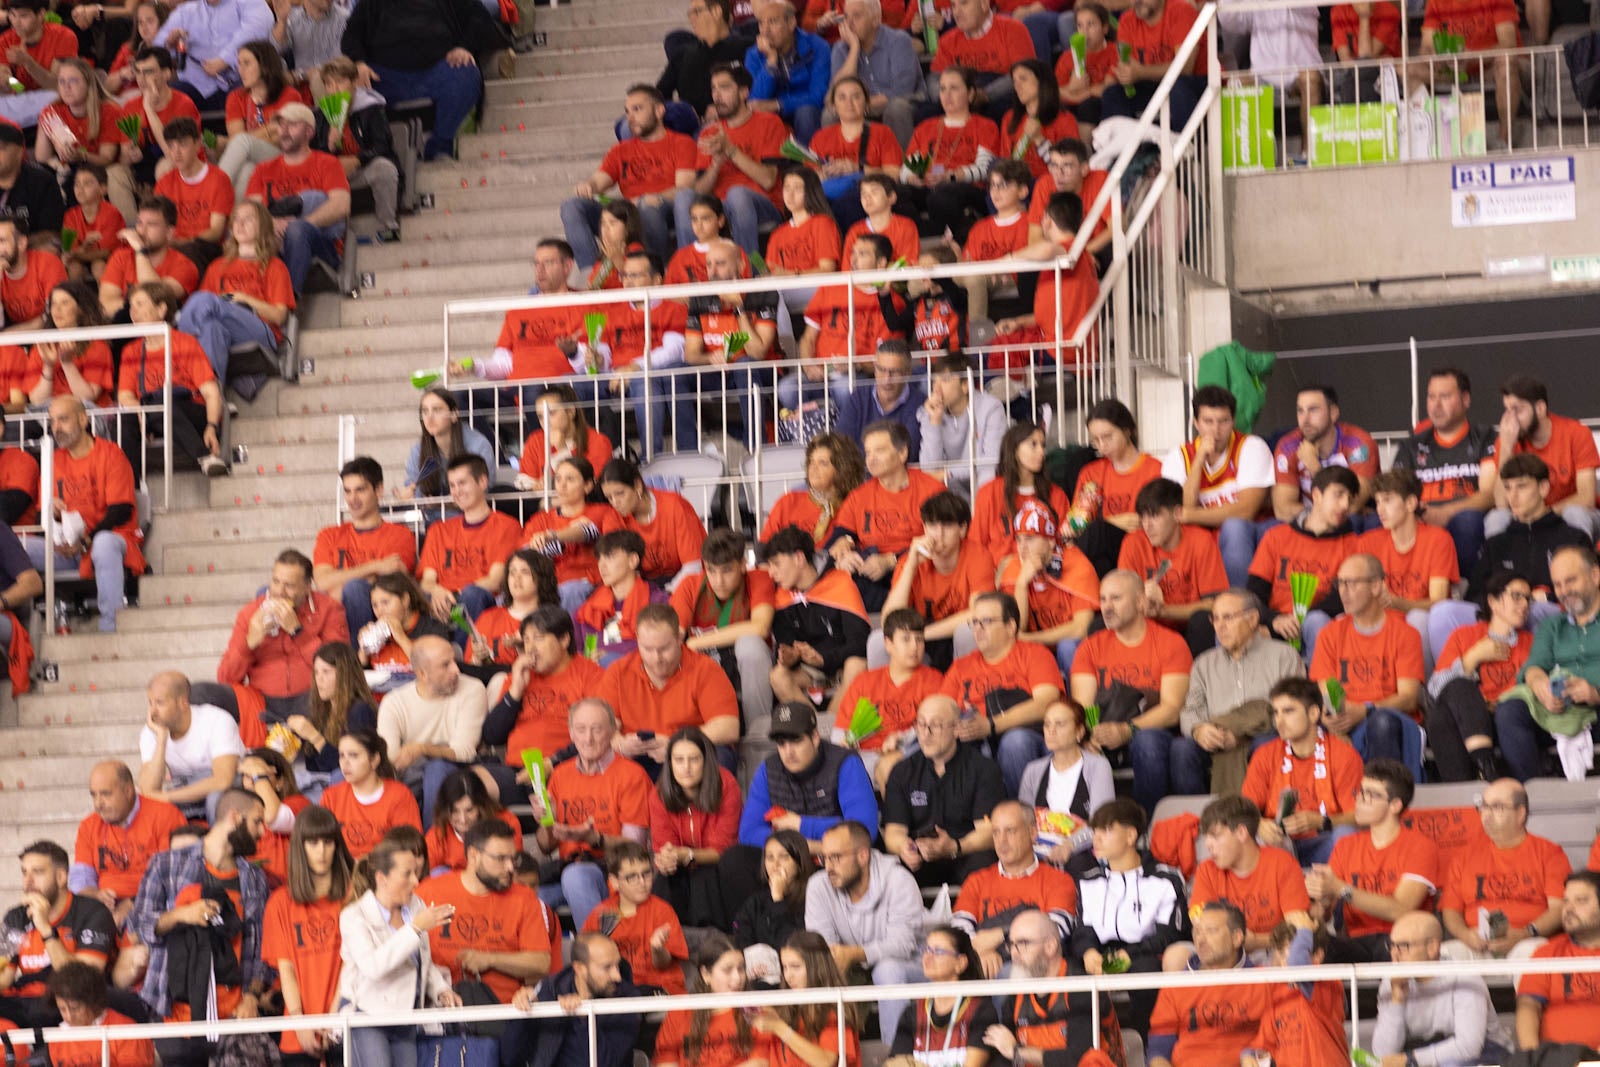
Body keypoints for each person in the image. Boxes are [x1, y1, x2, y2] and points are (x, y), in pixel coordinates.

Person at [128, 787, 270, 1063]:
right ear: (234, 817)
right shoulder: (167, 863)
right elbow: (139, 925)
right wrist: (182, 915)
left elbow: (259, 948)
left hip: (233, 1014)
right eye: (257, 821)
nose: (262, 832)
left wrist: (252, 996)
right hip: (173, 1010)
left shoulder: (254, 877)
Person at [1069, 569, 1193, 813]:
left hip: (1150, 732)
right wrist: (1088, 735)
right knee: (1072, 744)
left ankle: (1145, 825)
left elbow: (1172, 709)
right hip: (1103, 731)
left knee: (1147, 742)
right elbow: (1082, 706)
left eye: (1116, 598)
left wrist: (1128, 730)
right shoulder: (1090, 647)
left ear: (1140, 602)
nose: (1106, 607)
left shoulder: (1171, 643)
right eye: (1103, 599)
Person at [337, 835, 462, 1067]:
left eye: (416, 872)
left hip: (405, 1018)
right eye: (407, 874)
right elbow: (374, 967)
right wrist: (414, 928)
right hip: (367, 1018)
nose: (416, 881)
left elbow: (423, 961)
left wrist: (441, 989)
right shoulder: (353, 917)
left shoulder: (417, 906)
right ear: (382, 878)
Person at [530, 698, 653, 933]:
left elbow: (634, 849)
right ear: (571, 733)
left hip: (615, 873)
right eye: (581, 730)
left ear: (612, 732)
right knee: (525, 902)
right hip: (568, 869)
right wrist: (546, 822)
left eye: (597, 729)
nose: (588, 739)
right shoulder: (560, 775)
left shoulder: (631, 775)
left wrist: (592, 837)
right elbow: (546, 847)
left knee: (576, 877)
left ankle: (599, 955)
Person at [1304, 759, 1439, 963]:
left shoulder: (1420, 846)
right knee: (1307, 946)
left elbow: (1401, 909)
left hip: (1402, 941)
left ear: (1395, 805)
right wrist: (1319, 898)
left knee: (1396, 950)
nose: (1360, 799)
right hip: (1356, 941)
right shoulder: (1346, 845)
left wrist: (1341, 889)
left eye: (1371, 795)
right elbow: (1325, 913)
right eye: (1359, 792)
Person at [1071, 799, 1187, 1028]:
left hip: (1144, 954)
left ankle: (1149, 1046)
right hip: (1100, 953)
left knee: (1145, 972)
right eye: (1095, 831)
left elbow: (1169, 935)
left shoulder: (1165, 879)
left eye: (1106, 830)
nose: (1097, 838)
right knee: (1070, 970)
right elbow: (1082, 929)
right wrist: (1088, 952)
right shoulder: (1088, 880)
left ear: (1131, 836)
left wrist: (1128, 955)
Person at [806, 820, 925, 1042]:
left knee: (887, 970)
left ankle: (894, 1058)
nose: (828, 867)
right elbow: (824, 948)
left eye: (836, 857)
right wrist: (843, 957)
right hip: (854, 967)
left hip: (911, 963)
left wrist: (855, 954)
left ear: (862, 856)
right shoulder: (819, 886)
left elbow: (902, 944)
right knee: (817, 969)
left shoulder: (899, 880)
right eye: (824, 858)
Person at [1309, 553, 1427, 778]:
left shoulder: (1405, 634)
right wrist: (1335, 723)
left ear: (1376, 586)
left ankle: (1385, 795)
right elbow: (1326, 688)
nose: (1343, 591)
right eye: (1340, 583)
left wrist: (1365, 710)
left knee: (1380, 723)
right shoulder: (1329, 634)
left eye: (1351, 583)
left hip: (1388, 719)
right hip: (1344, 719)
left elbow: (1409, 698)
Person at [338, 0, 502, 160]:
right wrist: (359, 63)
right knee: (349, 83)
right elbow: (351, 35)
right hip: (385, 78)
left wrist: (464, 47)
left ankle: (440, 146)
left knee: (467, 74)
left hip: (436, 74)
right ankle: (371, 150)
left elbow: (480, 17)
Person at [1178, 587, 1303, 796]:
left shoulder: (1284, 656)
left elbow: (1295, 710)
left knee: (1266, 745)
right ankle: (1199, 816)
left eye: (1228, 618)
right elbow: (1190, 710)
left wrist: (1239, 733)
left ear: (1253, 619)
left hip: (1262, 735)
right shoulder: (1204, 663)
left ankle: (1255, 812)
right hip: (1215, 739)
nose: (1220, 626)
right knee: (1182, 750)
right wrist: (1199, 730)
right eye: (1215, 619)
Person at [670, 527, 777, 767]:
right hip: (706, 674)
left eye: (727, 571)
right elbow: (673, 634)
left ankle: (756, 734)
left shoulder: (758, 579)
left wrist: (697, 641)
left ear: (742, 564)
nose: (718, 580)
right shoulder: (690, 585)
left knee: (750, 644)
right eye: (711, 571)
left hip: (747, 672)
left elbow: (760, 627)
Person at [942, 590, 1065, 797]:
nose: (978, 630)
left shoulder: (1034, 654)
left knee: (1015, 742)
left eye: (987, 622)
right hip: (973, 740)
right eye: (975, 623)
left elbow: (1047, 703)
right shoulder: (961, 666)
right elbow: (942, 708)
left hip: (1026, 735)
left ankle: (1023, 817)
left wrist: (991, 725)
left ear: (1011, 626)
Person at [1492, 544, 1600, 780]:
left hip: (1596, 711)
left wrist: (1595, 693)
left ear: (1595, 575)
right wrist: (1540, 684)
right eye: (1558, 585)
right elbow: (1533, 667)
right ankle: (1534, 796)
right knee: (1510, 710)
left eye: (1571, 581)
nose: (1563, 591)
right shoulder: (1553, 626)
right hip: (1560, 709)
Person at [417, 818, 553, 1004]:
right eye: (500, 858)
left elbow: (541, 963)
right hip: (440, 1008)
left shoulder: (524, 898)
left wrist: (491, 960)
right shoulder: (429, 892)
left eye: (512, 858)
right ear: (473, 855)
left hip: (505, 1010)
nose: (510, 867)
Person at [564, 85, 695, 269]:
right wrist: (589, 185)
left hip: (663, 209)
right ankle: (593, 274)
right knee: (572, 207)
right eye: (627, 111)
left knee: (647, 207)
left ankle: (656, 270)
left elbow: (684, 188)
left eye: (637, 109)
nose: (630, 117)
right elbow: (600, 180)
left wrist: (649, 198)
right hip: (628, 213)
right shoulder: (621, 150)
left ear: (659, 111)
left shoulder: (682, 143)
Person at [260, 804, 352, 1062]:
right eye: (313, 843)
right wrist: (300, 1021)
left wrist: (335, 1017)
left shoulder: (353, 895)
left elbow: (354, 964)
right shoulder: (280, 902)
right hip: (298, 1032)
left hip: (346, 1022)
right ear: (301, 847)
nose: (321, 851)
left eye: (328, 842)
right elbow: (285, 968)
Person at [883, 694, 1005, 888]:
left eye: (936, 725)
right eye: (921, 725)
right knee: (892, 869)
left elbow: (988, 833)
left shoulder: (983, 769)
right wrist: (904, 847)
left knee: (984, 862)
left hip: (965, 851)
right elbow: (894, 831)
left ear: (956, 728)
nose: (926, 734)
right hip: (922, 855)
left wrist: (954, 847)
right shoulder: (902, 772)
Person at [1439, 778, 1568, 960]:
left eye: (1497, 807)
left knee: (1535, 953)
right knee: (1444, 955)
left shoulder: (1549, 853)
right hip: (1476, 943)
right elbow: (1451, 911)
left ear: (1520, 814)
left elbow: (1558, 909)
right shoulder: (1464, 856)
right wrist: (1465, 935)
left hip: (1528, 940)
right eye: (1483, 806)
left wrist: (1525, 933)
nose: (1486, 815)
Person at [1160, 384, 1274, 587]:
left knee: (1234, 526)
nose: (1215, 430)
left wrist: (1190, 515)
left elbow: (1245, 510)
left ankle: (1238, 601)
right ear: (1195, 423)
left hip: (1249, 533)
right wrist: (1199, 460)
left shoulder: (1251, 446)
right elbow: (1181, 507)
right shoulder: (1178, 457)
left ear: (1233, 421)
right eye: (1208, 421)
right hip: (1203, 539)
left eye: (1223, 421)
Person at [481, 606, 603, 794]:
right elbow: (492, 736)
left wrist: (552, 763)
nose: (531, 648)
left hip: (566, 770)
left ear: (564, 639)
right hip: (517, 772)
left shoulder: (591, 675)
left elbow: (597, 737)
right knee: (467, 783)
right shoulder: (521, 676)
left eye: (538, 638)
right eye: (526, 640)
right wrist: (515, 691)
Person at [218, 548, 349, 723]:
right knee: (202, 693)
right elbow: (226, 679)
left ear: (307, 586)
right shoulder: (250, 613)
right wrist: (249, 643)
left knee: (335, 702)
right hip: (261, 700)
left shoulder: (329, 609)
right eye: (276, 582)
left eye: (289, 585)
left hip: (310, 696)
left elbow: (340, 667)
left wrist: (298, 632)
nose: (279, 592)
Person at [175, 199, 293, 393]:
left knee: (204, 300)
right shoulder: (217, 267)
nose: (240, 224)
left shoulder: (275, 266)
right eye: (236, 219)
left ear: (262, 225)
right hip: (223, 321)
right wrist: (227, 301)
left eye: (248, 219)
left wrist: (244, 298)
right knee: (211, 327)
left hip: (260, 330)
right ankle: (211, 395)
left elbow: (280, 316)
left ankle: (179, 353)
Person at [1242, 677, 1363, 866]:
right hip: (1280, 843)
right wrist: (1259, 824)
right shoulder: (1264, 755)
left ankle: (1338, 892)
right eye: (1276, 713)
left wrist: (1322, 822)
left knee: (1345, 835)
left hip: (1325, 841)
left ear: (1314, 713)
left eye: (1288, 711)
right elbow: (1244, 809)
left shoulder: (1344, 755)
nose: (1279, 721)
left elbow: (1359, 815)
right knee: (1250, 836)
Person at [1426, 570, 1533, 783]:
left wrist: (1500, 702)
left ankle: (1470, 784)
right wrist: (1472, 658)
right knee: (1447, 703)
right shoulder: (1464, 636)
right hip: (1469, 720)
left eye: (1528, 598)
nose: (1524, 604)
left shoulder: (1530, 642)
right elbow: (1436, 689)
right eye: (1516, 596)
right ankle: (1484, 767)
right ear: (1493, 601)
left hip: (1508, 720)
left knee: (1442, 715)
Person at [828, 420, 946, 611]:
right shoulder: (859, 496)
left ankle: (896, 610)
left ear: (902, 453)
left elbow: (943, 543)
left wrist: (891, 561)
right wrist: (844, 547)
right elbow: (839, 536)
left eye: (879, 451)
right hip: (869, 574)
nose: (871, 459)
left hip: (918, 571)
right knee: (838, 576)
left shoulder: (931, 490)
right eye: (868, 452)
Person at [113, 281, 227, 479]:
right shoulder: (131, 351)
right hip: (152, 413)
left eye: (140, 305)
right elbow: (125, 395)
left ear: (161, 309)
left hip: (190, 411)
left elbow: (211, 392)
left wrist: (212, 426)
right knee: (124, 420)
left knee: (159, 403)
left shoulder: (185, 343)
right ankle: (132, 486)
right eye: (131, 306)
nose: (134, 312)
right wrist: (140, 412)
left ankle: (204, 456)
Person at [949, 799, 1076, 975]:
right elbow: (959, 931)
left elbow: (1054, 933)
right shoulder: (976, 880)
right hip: (980, 961)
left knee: (1016, 973)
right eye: (996, 832)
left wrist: (1000, 938)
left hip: (1030, 967)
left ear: (1032, 832)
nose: (1001, 841)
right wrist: (981, 954)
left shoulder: (1059, 881)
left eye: (1010, 831)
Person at [0, 841, 119, 1029]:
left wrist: (45, 928)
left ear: (61, 877)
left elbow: (81, 983)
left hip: (71, 1004)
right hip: (26, 1002)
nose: (28, 882)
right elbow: (4, 976)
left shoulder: (92, 912)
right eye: (24, 873)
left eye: (37, 872)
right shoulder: (16, 916)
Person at [1372, 910, 1514, 1065]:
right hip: (1423, 1048)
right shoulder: (1391, 981)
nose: (1394, 955)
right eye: (1391, 946)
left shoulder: (1464, 978)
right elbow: (1383, 1055)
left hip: (1487, 1049)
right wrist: (1396, 1000)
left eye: (1404, 946)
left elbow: (1469, 1046)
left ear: (1432, 948)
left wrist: (1411, 1059)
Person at [987, 909, 1125, 1067]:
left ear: (1050, 946)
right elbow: (1002, 1054)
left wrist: (1018, 1052)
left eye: (1023, 944)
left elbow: (1079, 1059)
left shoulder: (1081, 988)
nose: (1014, 953)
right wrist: (1012, 1052)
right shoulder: (1016, 995)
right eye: (1011, 945)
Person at [1390, 366, 1496, 572]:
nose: (1436, 406)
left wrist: (1443, 513)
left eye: (1445, 397)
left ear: (1466, 400)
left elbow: (1489, 495)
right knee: (1378, 520)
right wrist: (1418, 513)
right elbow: (1395, 492)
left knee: (1468, 520)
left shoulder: (1485, 438)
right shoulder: (1411, 446)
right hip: (1419, 518)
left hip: (1462, 520)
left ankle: (1464, 587)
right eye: (1431, 397)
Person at [1246, 464, 1359, 657]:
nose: (1345, 505)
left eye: (1350, 499)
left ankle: (1320, 686)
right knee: (1233, 625)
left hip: (1318, 627)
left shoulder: (1353, 545)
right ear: (1316, 495)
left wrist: (1298, 622)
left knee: (1317, 621)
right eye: (1338, 495)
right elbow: (1255, 592)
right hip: (1276, 623)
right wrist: (1274, 621)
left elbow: (1341, 600)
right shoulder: (1276, 536)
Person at [677, 63, 788, 255]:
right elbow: (701, 190)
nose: (717, 95)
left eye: (725, 87)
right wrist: (716, 163)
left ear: (744, 93)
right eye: (713, 88)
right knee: (683, 197)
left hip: (763, 204)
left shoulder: (769, 122)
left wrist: (731, 150)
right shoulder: (709, 132)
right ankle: (691, 269)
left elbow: (768, 180)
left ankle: (746, 274)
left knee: (737, 194)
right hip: (720, 207)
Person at [787, 235, 905, 414]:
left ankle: (843, 433)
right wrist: (808, 364)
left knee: (844, 388)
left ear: (881, 263)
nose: (854, 259)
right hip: (820, 374)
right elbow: (808, 337)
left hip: (858, 375)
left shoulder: (892, 303)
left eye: (863, 254)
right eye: (853, 252)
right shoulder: (832, 286)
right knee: (786, 389)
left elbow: (887, 360)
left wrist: (854, 365)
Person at [876, 490, 992, 671]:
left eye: (946, 526)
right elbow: (888, 621)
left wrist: (922, 634)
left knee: (969, 632)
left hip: (950, 634)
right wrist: (911, 567)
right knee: (878, 641)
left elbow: (979, 613)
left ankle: (968, 694)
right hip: (923, 641)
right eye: (932, 525)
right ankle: (894, 696)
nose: (938, 534)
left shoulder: (978, 555)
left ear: (962, 529)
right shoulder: (911, 559)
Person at [376, 634, 490, 818]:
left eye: (454, 661)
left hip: (456, 771)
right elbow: (390, 760)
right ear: (422, 674)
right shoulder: (394, 702)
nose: (456, 670)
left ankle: (434, 841)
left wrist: (422, 749)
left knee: (437, 769)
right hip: (410, 775)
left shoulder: (472, 689)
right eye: (446, 665)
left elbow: (465, 752)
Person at [1147, 902, 1272, 1067]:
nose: (1201, 939)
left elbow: (1277, 1040)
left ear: (1237, 938)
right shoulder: (1176, 985)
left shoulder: (1264, 982)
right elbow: (1158, 1051)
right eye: (1197, 932)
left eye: (1211, 931)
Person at [244, 103, 350, 296]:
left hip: (321, 243)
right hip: (274, 239)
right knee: (240, 232)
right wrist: (272, 223)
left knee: (298, 227)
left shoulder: (327, 163)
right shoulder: (263, 169)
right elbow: (251, 211)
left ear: (309, 132)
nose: (283, 132)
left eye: (291, 125)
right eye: (281, 125)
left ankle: (287, 302)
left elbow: (341, 205)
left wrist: (300, 224)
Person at [1359, 468, 1459, 669]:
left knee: (1417, 619)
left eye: (1387, 500)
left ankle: (1430, 692)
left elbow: (1438, 602)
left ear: (1411, 503)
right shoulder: (1368, 542)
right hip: (1380, 621)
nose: (1380, 509)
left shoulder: (1438, 539)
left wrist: (1398, 603)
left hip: (1417, 622)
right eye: (1377, 502)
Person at [71, 761, 186, 933]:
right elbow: (81, 879)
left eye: (105, 794)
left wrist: (133, 903)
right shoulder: (89, 825)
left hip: (154, 906)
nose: (98, 803)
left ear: (128, 791)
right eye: (93, 795)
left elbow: (172, 879)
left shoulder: (165, 815)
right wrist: (95, 895)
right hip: (105, 910)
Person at [767, 524, 872, 711]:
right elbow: (786, 642)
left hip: (842, 664)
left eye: (776, 564)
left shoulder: (840, 582)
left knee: (857, 665)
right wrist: (789, 657)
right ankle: (810, 729)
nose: (771, 573)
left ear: (799, 558)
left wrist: (824, 659)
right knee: (778, 676)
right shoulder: (781, 597)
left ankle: (831, 729)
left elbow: (860, 644)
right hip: (810, 669)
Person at [834, 608, 944, 786]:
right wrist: (846, 743)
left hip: (910, 751)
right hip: (865, 754)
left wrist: (901, 738)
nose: (915, 647)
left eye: (919, 639)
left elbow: (937, 726)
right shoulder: (864, 681)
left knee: (889, 767)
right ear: (888, 643)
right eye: (906, 639)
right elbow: (840, 731)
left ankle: (896, 814)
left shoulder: (934, 680)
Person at [1188, 795, 1312, 951]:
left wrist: (1257, 941)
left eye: (1215, 836)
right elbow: (1200, 924)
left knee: (1290, 952)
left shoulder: (1282, 863)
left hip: (1273, 951)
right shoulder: (1206, 870)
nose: (1208, 844)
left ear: (1241, 833)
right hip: (1224, 954)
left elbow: (1297, 931)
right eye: (1206, 837)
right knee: (1176, 955)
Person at [312, 457, 417, 634]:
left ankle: (358, 661)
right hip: (333, 617)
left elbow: (394, 585)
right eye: (347, 491)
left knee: (355, 589)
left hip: (378, 619)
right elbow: (322, 582)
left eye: (360, 490)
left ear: (378, 490)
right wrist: (375, 567)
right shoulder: (328, 535)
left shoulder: (400, 535)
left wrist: (341, 586)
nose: (352, 499)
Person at [650, 726, 742, 927]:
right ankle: (668, 941)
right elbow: (663, 845)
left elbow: (724, 848)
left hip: (718, 869)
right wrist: (666, 858)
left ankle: (712, 940)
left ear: (706, 761)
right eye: (679, 760)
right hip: (681, 867)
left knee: (703, 877)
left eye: (694, 759)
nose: (686, 768)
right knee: (663, 882)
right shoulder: (659, 793)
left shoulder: (726, 785)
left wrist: (688, 855)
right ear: (670, 763)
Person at [1491, 373, 1600, 539]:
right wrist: (1506, 448)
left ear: (1540, 408)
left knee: (1575, 513)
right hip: (1526, 516)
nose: (1511, 419)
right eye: (1507, 410)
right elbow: (1501, 503)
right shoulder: (1507, 440)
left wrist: (1543, 516)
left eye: (1518, 410)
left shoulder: (1576, 433)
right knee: (1496, 519)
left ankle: (1576, 564)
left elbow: (1586, 498)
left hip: (1565, 514)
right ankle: (1505, 566)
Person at [416, 455, 523, 621]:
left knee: (472, 595)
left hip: (479, 601)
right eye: (452, 485)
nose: (457, 491)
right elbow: (427, 581)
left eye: (462, 483)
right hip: (442, 601)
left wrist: (454, 594)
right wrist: (437, 591)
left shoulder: (506, 526)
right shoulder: (438, 530)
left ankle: (463, 646)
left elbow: (495, 581)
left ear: (482, 482)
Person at [900, 67, 1000, 243]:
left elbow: (985, 169)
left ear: (970, 94)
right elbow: (906, 170)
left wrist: (950, 176)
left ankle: (951, 242)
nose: (947, 95)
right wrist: (914, 177)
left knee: (941, 195)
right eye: (942, 89)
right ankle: (923, 237)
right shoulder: (926, 128)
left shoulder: (985, 126)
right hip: (929, 185)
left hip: (965, 187)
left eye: (954, 88)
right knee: (896, 193)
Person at [514, 931, 643, 1067]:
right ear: (580, 968)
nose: (617, 976)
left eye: (617, 965)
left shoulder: (628, 999)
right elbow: (511, 1058)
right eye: (607, 967)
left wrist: (583, 1018)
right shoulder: (549, 990)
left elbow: (607, 1063)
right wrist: (522, 1014)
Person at [580, 839, 688, 993]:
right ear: (614, 882)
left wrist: (657, 949)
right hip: (617, 990)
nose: (642, 882)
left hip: (660, 989)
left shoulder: (662, 910)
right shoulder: (600, 915)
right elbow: (586, 961)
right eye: (632, 877)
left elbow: (664, 964)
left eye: (646, 873)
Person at [36, 60, 136, 224]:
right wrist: (47, 128)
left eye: (73, 81)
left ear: (89, 84)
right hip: (69, 167)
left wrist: (82, 155)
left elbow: (106, 158)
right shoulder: (52, 110)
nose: (66, 87)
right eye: (62, 81)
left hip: (102, 168)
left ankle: (128, 230)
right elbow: (42, 159)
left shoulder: (109, 110)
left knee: (97, 176)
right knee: (46, 177)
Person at [137, 671, 245, 820]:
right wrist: (161, 740)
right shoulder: (151, 732)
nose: (153, 711)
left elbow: (223, 780)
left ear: (183, 703)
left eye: (160, 703)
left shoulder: (217, 720)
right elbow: (148, 789)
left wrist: (168, 797)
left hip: (228, 790)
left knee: (217, 799)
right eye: (150, 703)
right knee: (148, 810)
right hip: (184, 790)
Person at [655, 934, 775, 1067]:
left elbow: (759, 1063)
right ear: (706, 974)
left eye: (741, 969)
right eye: (727, 970)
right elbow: (666, 1061)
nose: (737, 978)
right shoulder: (680, 1010)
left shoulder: (757, 1010)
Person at [884, 925, 996, 1067]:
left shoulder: (981, 1010)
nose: (928, 957)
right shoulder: (912, 1012)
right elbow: (897, 1064)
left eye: (938, 951)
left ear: (960, 963)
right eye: (926, 950)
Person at [1515, 869, 1600, 1052]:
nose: (1568, 909)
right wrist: (1532, 1056)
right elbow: (1528, 1005)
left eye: (1581, 901)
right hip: (1557, 1060)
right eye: (1566, 901)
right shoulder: (1547, 953)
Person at [1016, 700, 1114, 855]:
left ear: (1079, 732)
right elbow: (1023, 823)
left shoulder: (1098, 767)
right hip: (1039, 854)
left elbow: (1100, 823)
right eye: (1047, 724)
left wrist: (1070, 846)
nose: (1051, 730)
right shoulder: (1032, 770)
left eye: (1059, 724)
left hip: (1082, 853)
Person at [754, 930, 863, 1067]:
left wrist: (779, 1028)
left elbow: (826, 1061)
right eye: (785, 967)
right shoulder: (783, 1010)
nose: (788, 976)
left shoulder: (835, 1008)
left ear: (817, 967)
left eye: (795, 967)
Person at [1419, 0, 1520, 147]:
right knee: (1408, 70)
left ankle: (1504, 141)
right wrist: (1435, 57)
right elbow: (1425, 47)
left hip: (1490, 65)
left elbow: (1508, 45)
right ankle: (1426, 142)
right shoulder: (1435, 2)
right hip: (1454, 67)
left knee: (1506, 62)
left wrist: (1472, 56)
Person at [1270, 384, 1378, 522]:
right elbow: (1283, 511)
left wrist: (1314, 467)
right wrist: (1323, 515)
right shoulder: (1288, 446)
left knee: (1359, 520)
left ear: (1333, 413)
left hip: (1348, 523)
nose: (1305, 419)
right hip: (1304, 522)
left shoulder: (1358, 443)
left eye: (1313, 410)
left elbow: (1354, 505)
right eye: (1300, 411)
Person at [599, 458, 709, 589]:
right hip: (645, 588)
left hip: (687, 583)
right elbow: (619, 571)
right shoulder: (613, 519)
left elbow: (693, 566)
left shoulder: (675, 505)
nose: (615, 503)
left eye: (620, 494)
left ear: (638, 486)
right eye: (609, 498)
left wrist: (666, 593)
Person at [973, 422, 1071, 566]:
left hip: (1044, 572)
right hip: (999, 576)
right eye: (1033, 444)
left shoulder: (1056, 494)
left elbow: (1063, 544)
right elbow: (976, 545)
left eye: (1043, 445)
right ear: (1014, 449)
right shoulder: (989, 492)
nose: (1041, 452)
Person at [1101, 0, 1208, 130]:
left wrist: (1141, 72)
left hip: (1196, 84)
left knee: (1178, 86)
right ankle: (1125, 148)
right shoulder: (1127, 19)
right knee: (1112, 94)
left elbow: (1185, 68)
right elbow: (1128, 65)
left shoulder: (1181, 10)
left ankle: (1185, 148)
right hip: (1154, 85)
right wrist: (1126, 74)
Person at [830, 0, 921, 151]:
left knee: (896, 108)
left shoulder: (899, 41)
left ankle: (900, 168)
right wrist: (854, 49)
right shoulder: (841, 48)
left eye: (857, 16)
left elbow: (902, 90)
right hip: (862, 104)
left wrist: (858, 104)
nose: (849, 23)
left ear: (875, 20)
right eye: (846, 17)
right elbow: (836, 92)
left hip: (905, 101)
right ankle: (842, 167)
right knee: (830, 113)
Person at [151, 0, 272, 110]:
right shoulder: (186, 11)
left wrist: (225, 60)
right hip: (195, 84)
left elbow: (259, 26)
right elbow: (157, 47)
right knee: (165, 95)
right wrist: (169, 44)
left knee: (254, 88)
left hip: (238, 79)